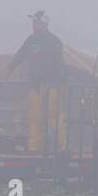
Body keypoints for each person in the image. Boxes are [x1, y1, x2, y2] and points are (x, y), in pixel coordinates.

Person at [7, 11, 66, 153]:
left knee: (55, 115)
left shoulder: (54, 41)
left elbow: (60, 64)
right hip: (35, 84)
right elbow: (21, 54)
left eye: (36, 22)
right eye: (33, 22)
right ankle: (34, 147)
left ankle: (62, 146)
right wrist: (9, 69)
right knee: (34, 117)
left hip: (52, 83)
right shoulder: (31, 40)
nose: (33, 25)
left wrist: (61, 82)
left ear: (44, 24)